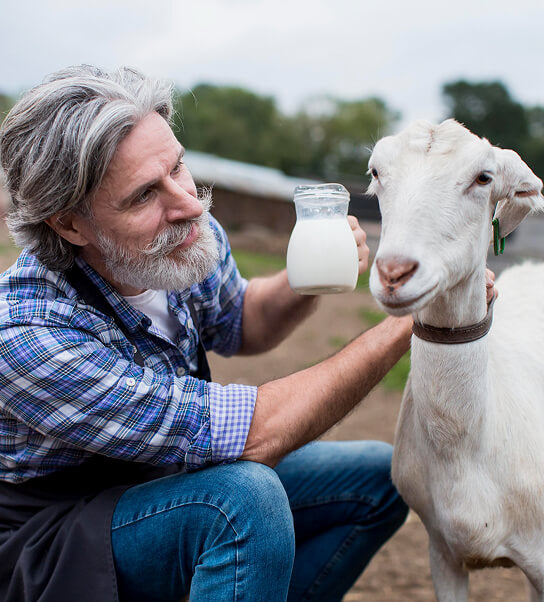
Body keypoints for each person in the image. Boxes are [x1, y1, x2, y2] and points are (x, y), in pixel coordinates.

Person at [0, 64, 413, 602]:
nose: (189, 204)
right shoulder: (26, 335)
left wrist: (303, 281)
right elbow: (255, 434)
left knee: (377, 478)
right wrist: (407, 322)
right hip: (53, 548)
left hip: (159, 483)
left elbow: (242, 320)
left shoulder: (178, 237)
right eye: (145, 194)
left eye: (178, 168)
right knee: (241, 501)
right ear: (69, 224)